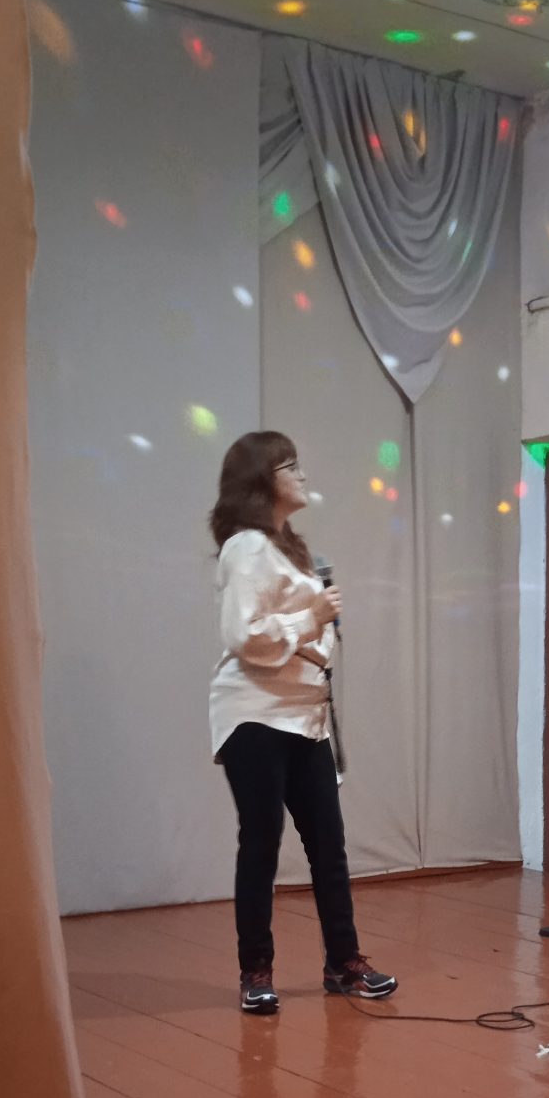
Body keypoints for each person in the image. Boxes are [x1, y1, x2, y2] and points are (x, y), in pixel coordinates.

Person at [208, 431, 398, 1015]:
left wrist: (315, 626)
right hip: (256, 715)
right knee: (261, 845)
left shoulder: (291, 549)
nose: (302, 475)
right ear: (261, 481)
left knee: (328, 847)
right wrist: (310, 617)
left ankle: (344, 962)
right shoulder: (245, 547)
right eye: (290, 466)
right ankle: (255, 971)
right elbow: (244, 636)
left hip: (307, 716)